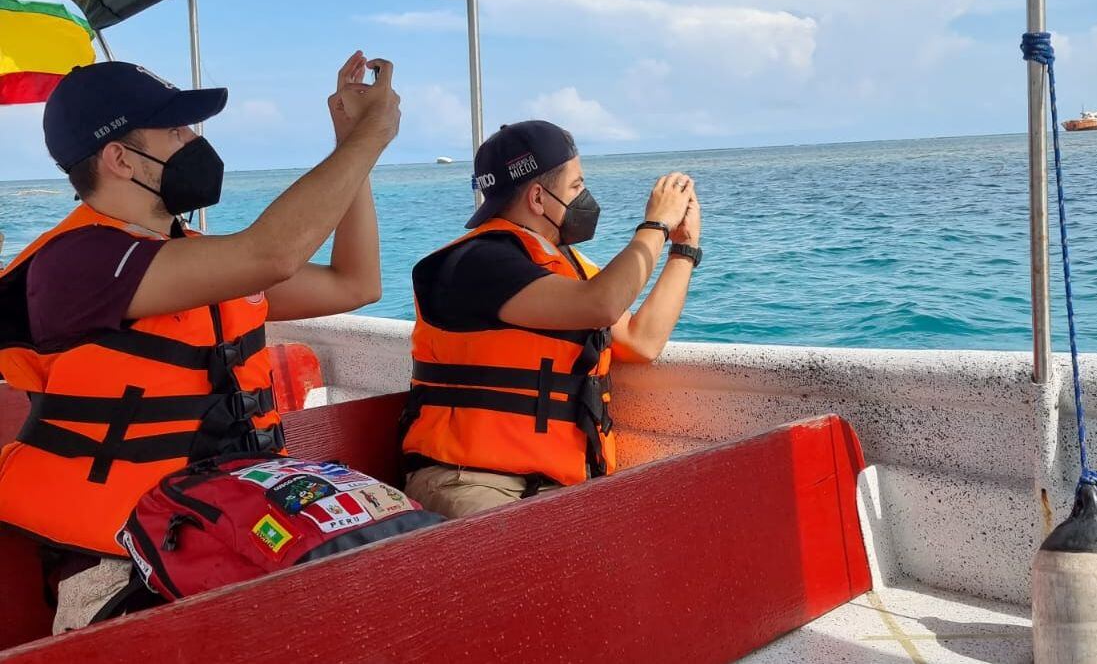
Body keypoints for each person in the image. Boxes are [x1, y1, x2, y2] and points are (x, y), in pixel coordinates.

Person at [0, 51, 400, 632]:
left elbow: (354, 283)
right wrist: (368, 139)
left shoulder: (189, 259)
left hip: (228, 524)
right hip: (125, 567)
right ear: (119, 158)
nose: (194, 141)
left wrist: (352, 153)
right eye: (176, 130)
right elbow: (272, 252)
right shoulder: (74, 265)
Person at [401, 120, 702, 518]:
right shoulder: (478, 263)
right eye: (576, 186)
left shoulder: (566, 269)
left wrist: (683, 250)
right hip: (470, 480)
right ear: (538, 198)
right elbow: (603, 304)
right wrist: (655, 225)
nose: (586, 196)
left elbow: (641, 339)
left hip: (552, 486)